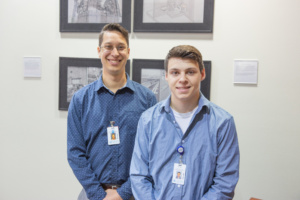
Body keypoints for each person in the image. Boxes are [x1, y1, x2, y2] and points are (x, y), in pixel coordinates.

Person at [130, 45, 240, 200]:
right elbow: (138, 175)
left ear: (202, 74)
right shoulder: (148, 120)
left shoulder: (223, 123)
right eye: (175, 72)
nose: (182, 79)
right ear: (166, 75)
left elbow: (225, 183)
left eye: (190, 72)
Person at [67, 23, 157, 200]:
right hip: (91, 194)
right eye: (108, 46)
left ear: (128, 52)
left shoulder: (147, 100)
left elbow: (153, 153)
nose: (115, 53)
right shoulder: (80, 100)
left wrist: (123, 193)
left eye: (120, 47)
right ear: (99, 51)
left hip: (134, 194)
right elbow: (75, 153)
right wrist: (98, 194)